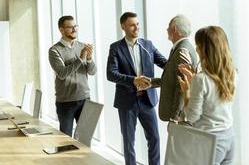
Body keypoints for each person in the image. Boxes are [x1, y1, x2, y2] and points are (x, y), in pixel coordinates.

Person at [106, 12, 167, 165]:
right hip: (127, 102)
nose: (136, 27)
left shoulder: (148, 45)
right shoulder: (115, 48)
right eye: (132, 24)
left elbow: (165, 64)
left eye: (137, 24)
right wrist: (134, 80)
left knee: (154, 138)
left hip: (147, 100)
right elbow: (111, 74)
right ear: (123, 26)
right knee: (128, 142)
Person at [178, 26, 237, 165]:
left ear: (204, 49)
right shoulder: (232, 73)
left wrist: (187, 91)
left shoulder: (201, 79)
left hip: (210, 141)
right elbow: (214, 98)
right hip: (229, 136)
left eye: (198, 45)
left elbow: (192, 117)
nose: (196, 49)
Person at [48, 15, 97, 137]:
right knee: (66, 140)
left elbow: (92, 72)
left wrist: (89, 59)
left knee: (85, 138)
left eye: (75, 26)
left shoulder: (82, 46)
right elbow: (62, 73)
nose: (74, 29)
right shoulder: (54, 50)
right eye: (70, 27)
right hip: (65, 102)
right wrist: (81, 58)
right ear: (61, 30)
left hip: (85, 98)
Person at [158, 14, 198, 122]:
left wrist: (174, 117)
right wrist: (151, 82)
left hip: (179, 118)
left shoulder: (182, 50)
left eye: (168, 27)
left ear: (174, 29)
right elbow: (172, 78)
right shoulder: (180, 48)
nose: (167, 29)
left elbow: (181, 86)